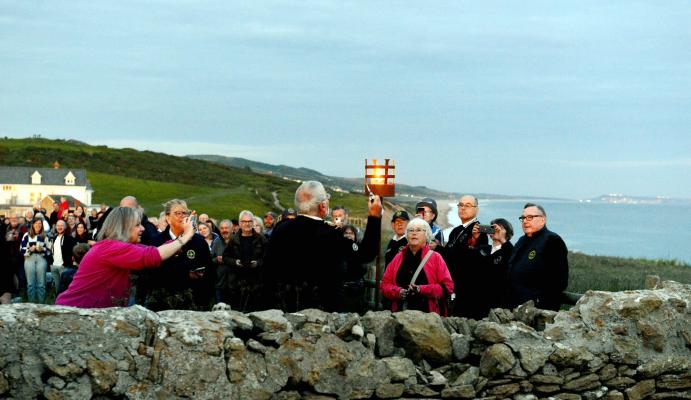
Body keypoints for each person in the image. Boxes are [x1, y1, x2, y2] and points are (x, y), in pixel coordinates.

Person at [264, 180, 382, 312]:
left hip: (285, 309)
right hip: (323, 313)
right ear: (323, 206)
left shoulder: (281, 228)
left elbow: (268, 267)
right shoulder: (331, 235)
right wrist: (374, 218)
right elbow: (366, 254)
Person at [55, 207, 196, 308]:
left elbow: (151, 251)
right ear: (123, 227)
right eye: (137, 225)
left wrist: (180, 237)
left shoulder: (115, 246)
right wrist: (187, 235)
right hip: (75, 315)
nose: (143, 229)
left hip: (87, 313)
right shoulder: (111, 248)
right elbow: (153, 256)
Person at [145, 199, 214, 311]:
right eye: (178, 213)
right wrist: (185, 275)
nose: (183, 216)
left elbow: (210, 272)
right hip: (162, 306)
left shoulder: (199, 241)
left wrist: (204, 300)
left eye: (185, 213)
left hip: (193, 306)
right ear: (167, 218)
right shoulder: (156, 241)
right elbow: (151, 274)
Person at [380, 218, 454, 315]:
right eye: (411, 230)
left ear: (426, 234)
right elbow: (385, 284)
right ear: (407, 235)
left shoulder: (436, 258)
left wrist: (421, 289)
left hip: (429, 318)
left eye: (418, 230)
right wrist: (398, 292)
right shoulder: (398, 258)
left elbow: (447, 287)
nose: (414, 233)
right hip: (401, 316)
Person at [508, 203, 569, 311]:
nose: (525, 221)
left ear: (542, 220)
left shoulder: (552, 240)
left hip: (537, 311)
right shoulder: (521, 241)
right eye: (523, 218)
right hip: (515, 307)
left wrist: (537, 302)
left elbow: (559, 281)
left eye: (530, 217)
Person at [438, 194, 490, 319]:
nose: (463, 208)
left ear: (476, 209)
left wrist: (439, 249)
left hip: (468, 289)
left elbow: (466, 259)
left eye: (467, 205)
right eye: (460, 205)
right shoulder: (456, 230)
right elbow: (449, 255)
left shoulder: (479, 231)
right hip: (452, 285)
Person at [222, 210, 268, 312]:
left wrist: (257, 263)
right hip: (237, 284)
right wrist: (235, 262)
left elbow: (268, 258)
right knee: (237, 313)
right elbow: (225, 257)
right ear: (239, 223)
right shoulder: (234, 239)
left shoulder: (261, 239)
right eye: (244, 221)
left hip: (256, 284)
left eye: (249, 221)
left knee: (255, 313)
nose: (247, 224)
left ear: (253, 222)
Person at [473, 218, 515, 315]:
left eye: (499, 228)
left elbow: (512, 257)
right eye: (493, 227)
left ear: (507, 233)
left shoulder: (510, 251)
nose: (496, 230)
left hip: (498, 301)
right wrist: (475, 239)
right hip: (478, 299)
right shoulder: (482, 249)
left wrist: (502, 239)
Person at [20, 218, 51, 303]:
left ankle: (41, 305)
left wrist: (42, 249)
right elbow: (21, 249)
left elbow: (49, 250)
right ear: (33, 225)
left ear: (42, 225)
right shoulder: (27, 235)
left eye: (40, 223)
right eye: (36, 223)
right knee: (30, 284)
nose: (38, 225)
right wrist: (29, 249)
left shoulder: (45, 236)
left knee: (41, 284)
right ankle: (31, 304)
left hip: (41, 259)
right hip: (29, 258)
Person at [49, 220, 76, 295]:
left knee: (65, 289)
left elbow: (73, 251)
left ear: (65, 227)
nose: (59, 227)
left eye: (61, 225)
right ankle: (57, 304)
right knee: (57, 288)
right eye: (58, 225)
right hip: (54, 266)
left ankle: (65, 304)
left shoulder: (69, 238)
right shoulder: (54, 238)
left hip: (64, 267)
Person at [211, 219, 232, 303]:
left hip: (234, 284)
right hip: (219, 284)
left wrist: (228, 260)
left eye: (226, 228)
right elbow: (209, 260)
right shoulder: (217, 241)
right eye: (222, 228)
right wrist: (216, 259)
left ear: (232, 229)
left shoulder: (237, 240)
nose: (224, 230)